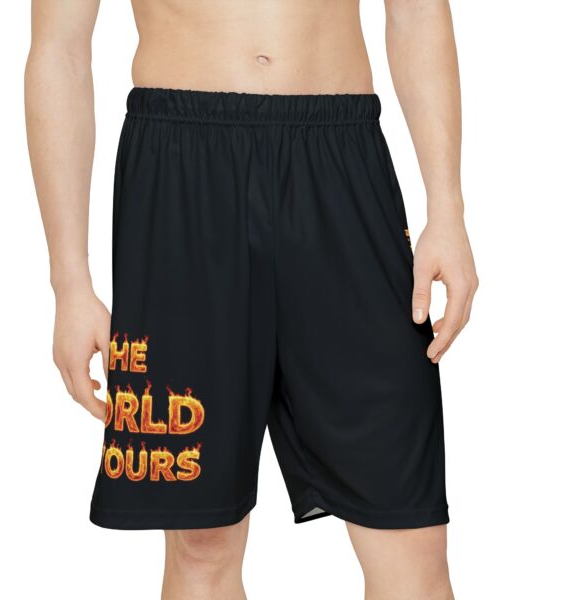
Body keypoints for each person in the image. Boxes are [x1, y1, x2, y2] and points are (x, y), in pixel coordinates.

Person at [25, 0, 478, 598]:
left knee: (408, 531)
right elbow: (59, 49)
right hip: (182, 171)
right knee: (201, 540)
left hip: (342, 164)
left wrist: (447, 209)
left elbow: (417, 11)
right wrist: (69, 282)